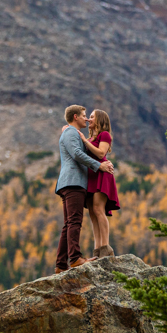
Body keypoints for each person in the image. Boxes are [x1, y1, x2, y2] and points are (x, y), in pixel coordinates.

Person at [54, 105, 114, 273]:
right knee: (74, 221)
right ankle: (74, 258)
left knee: (68, 224)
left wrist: (67, 130)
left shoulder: (71, 132)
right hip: (73, 182)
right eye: (84, 115)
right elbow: (77, 154)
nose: (87, 119)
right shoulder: (71, 132)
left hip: (69, 182)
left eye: (90, 116)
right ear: (75, 117)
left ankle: (60, 264)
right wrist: (99, 166)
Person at [80, 109, 119, 259]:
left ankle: (105, 247)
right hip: (90, 176)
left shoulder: (104, 135)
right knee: (92, 212)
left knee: (98, 209)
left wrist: (84, 141)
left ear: (100, 120)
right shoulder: (90, 138)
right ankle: (97, 249)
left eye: (91, 117)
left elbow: (101, 154)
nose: (89, 120)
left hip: (102, 174)